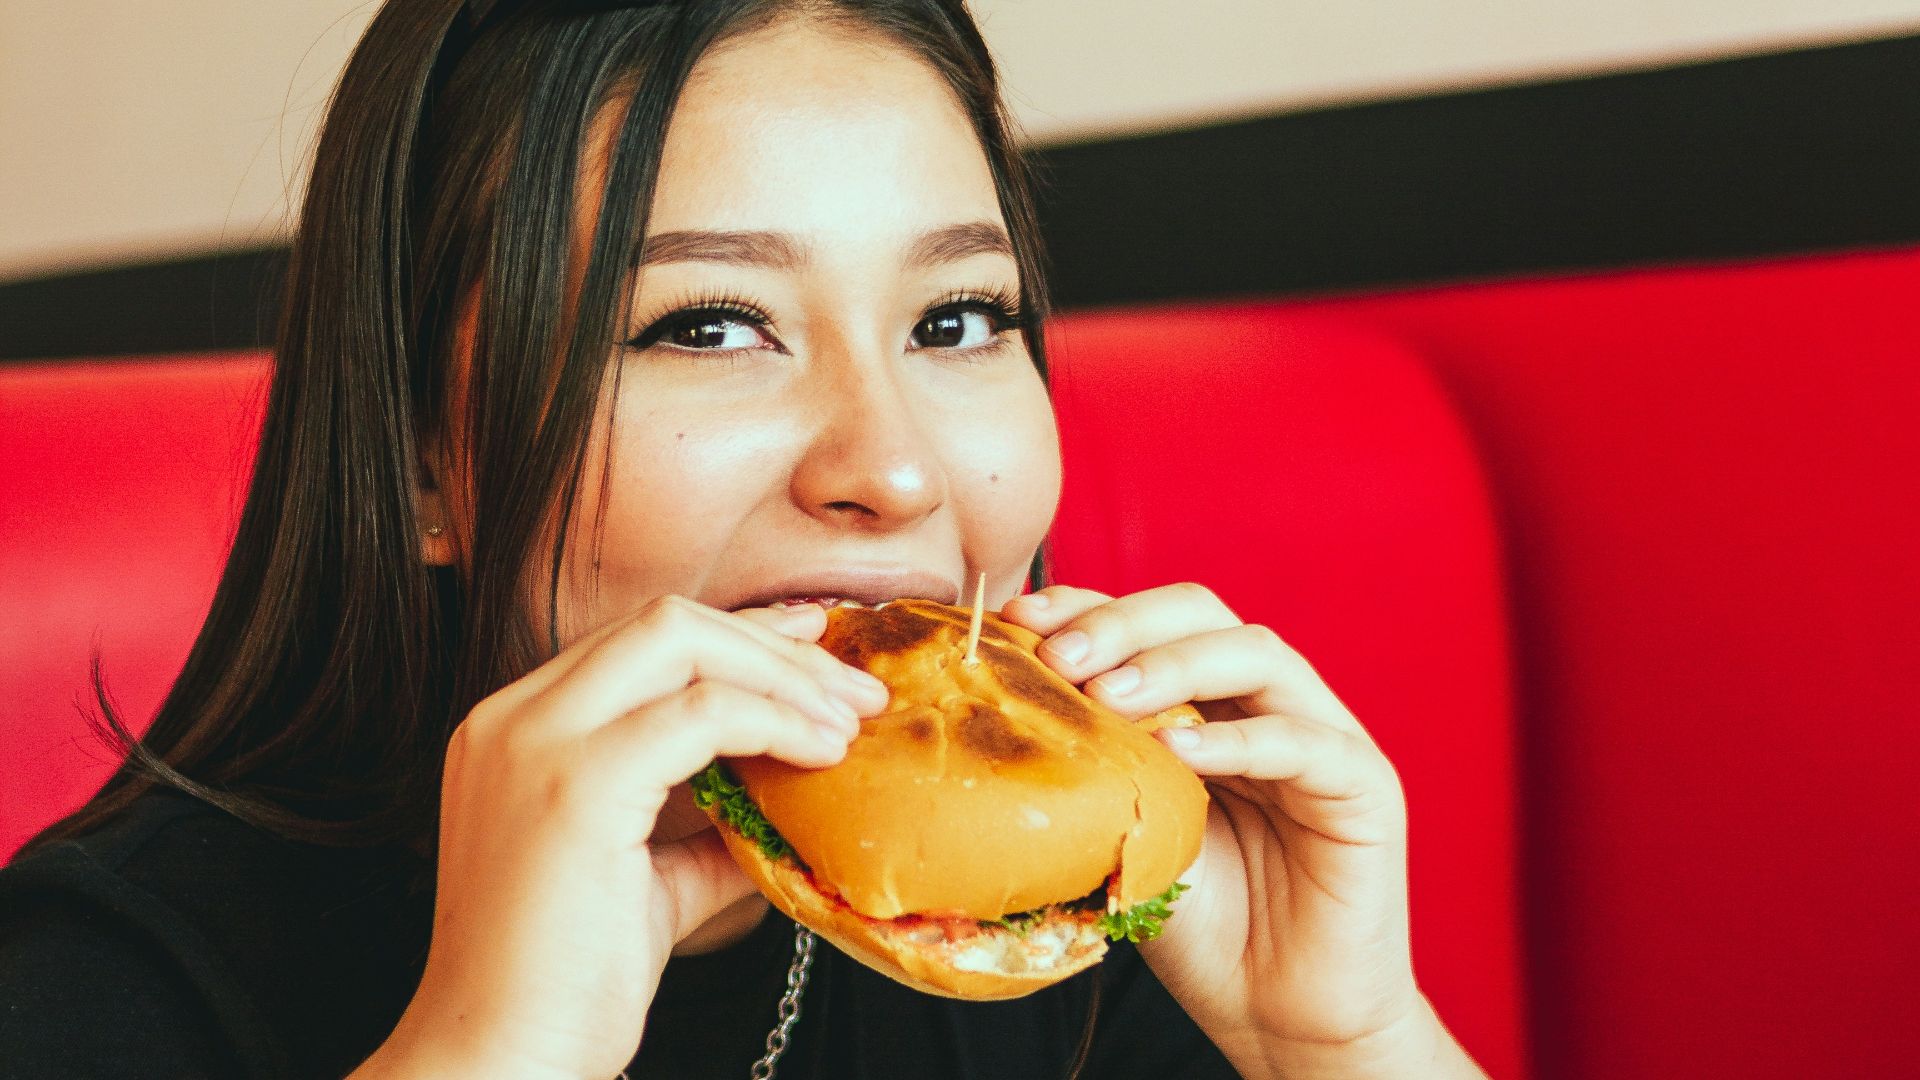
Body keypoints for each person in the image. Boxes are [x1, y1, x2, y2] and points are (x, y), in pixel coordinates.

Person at [0, 1, 1490, 1077]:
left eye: (957, 320)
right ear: (420, 464)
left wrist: (1339, 1042)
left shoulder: (1065, 920)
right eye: (709, 327)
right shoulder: (105, 981)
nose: (893, 469)